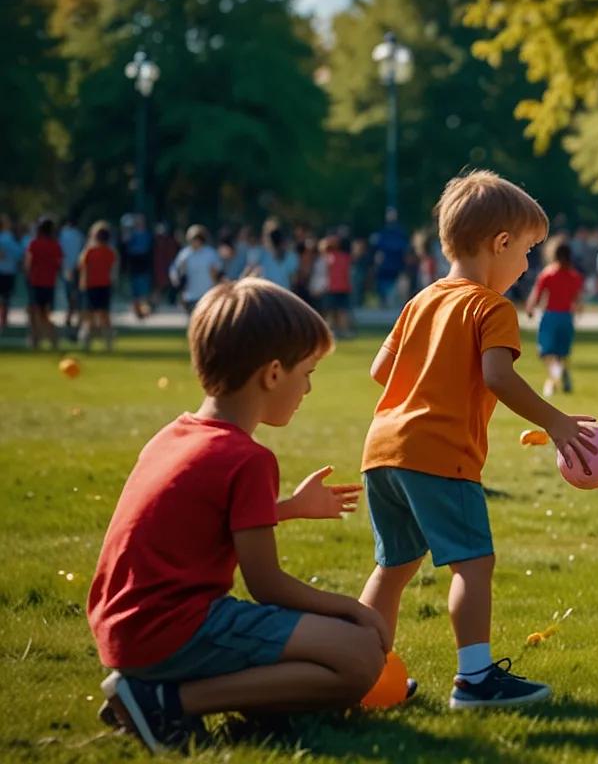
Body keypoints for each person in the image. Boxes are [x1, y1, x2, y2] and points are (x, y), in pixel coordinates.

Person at [88, 280, 386, 753]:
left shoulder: (175, 435)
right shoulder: (248, 459)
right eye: (307, 373)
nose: (308, 388)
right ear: (273, 374)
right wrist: (352, 609)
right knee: (360, 658)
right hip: (172, 631)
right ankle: (166, 702)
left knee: (339, 644)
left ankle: (151, 692)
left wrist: (291, 508)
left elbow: (205, 523)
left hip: (128, 631)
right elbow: (267, 585)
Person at [356, 170, 598, 709]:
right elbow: (498, 377)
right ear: (501, 243)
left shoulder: (421, 301)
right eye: (527, 251)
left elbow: (381, 370)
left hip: (383, 451)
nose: (528, 265)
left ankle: (361, 674)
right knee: (473, 563)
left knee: (393, 568)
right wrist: (556, 422)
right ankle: (474, 679)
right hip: (440, 455)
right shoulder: (491, 307)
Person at [525, 237, 583, 396]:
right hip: (567, 317)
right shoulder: (574, 276)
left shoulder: (548, 273)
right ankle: (560, 373)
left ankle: (553, 380)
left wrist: (530, 308)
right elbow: (578, 299)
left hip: (550, 316)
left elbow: (537, 294)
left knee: (546, 352)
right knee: (561, 352)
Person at [79, 221, 119, 352]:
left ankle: (86, 343)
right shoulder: (111, 252)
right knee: (105, 317)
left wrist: (82, 285)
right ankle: (108, 343)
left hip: (91, 286)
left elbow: (83, 268)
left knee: (89, 317)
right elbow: (114, 271)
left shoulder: (89, 251)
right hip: (105, 286)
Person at [26, 217, 63, 350]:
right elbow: (59, 264)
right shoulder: (55, 245)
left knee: (33, 313)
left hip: (35, 282)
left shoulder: (34, 244)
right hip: (50, 283)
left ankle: (35, 340)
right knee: (45, 314)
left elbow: (28, 264)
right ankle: (53, 340)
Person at [170, 226, 223, 315]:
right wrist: (178, 282)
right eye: (193, 239)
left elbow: (219, 271)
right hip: (190, 296)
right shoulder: (185, 254)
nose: (195, 242)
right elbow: (174, 270)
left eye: (198, 239)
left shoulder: (210, 253)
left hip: (207, 295)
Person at [373, 210, 409, 308]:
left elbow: (378, 252)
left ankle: (385, 303)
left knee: (385, 289)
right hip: (394, 266)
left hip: (388, 266)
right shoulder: (400, 232)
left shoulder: (384, 232)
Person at [122, 214, 155, 319]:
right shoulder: (131, 234)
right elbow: (125, 246)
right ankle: (136, 310)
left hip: (144, 264)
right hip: (134, 265)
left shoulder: (148, 234)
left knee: (143, 289)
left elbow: (148, 249)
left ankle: (144, 310)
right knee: (135, 289)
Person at [324, 236, 355, 340]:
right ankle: (344, 331)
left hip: (332, 287)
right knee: (343, 311)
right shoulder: (346, 258)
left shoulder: (329, 257)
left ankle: (330, 332)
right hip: (344, 287)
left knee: (331, 311)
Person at [0, 216, 21, 337]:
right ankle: (3, 319)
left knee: (3, 298)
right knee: (6, 298)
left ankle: (2, 319)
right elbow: (18, 254)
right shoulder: (10, 239)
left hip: (3, 271)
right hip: (8, 271)